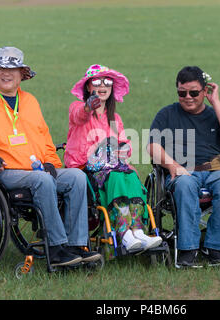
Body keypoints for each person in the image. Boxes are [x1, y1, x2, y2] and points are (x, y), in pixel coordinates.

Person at [0, 46, 101, 267]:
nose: (6, 73)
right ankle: (56, 249)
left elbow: (45, 139)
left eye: (13, 69)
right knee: (43, 180)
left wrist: (50, 161)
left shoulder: (30, 102)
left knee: (76, 177)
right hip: (5, 172)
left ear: (22, 75)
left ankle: (76, 246)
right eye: (1, 68)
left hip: (37, 169)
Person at [147, 66, 220, 266]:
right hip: (183, 169)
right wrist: (172, 165)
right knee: (185, 185)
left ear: (204, 91)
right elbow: (152, 146)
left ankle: (216, 246)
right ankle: (188, 248)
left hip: (214, 168)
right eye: (182, 93)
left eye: (194, 92)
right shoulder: (167, 114)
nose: (188, 97)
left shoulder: (214, 113)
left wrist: (215, 101)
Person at [65, 64, 162, 251]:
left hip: (113, 165)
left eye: (107, 83)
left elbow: (124, 142)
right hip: (85, 168)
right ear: (88, 86)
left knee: (131, 176)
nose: (103, 87)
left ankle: (138, 231)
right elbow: (79, 116)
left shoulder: (114, 118)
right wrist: (87, 107)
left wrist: (124, 149)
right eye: (97, 82)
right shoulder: (77, 108)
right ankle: (124, 233)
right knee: (116, 177)